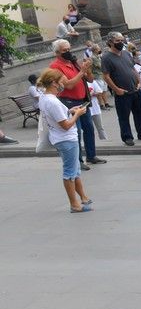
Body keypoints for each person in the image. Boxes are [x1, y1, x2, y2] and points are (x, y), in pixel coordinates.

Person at [37, 69, 94, 213]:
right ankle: (74, 204)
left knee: (75, 170)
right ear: (54, 83)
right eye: (62, 81)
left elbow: (57, 117)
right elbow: (66, 125)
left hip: (62, 138)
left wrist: (70, 111)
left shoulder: (45, 98)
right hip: (65, 139)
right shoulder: (52, 101)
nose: (64, 84)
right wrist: (78, 114)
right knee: (70, 172)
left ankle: (83, 197)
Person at [46, 38, 102, 168]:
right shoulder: (55, 67)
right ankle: (78, 161)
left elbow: (90, 79)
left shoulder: (73, 62)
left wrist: (87, 69)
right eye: (65, 50)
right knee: (75, 132)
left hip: (83, 101)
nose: (68, 52)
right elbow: (68, 85)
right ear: (57, 53)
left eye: (69, 49)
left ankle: (91, 156)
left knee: (89, 128)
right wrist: (82, 71)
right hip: (69, 102)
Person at [100, 32, 141, 145]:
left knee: (140, 112)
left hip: (135, 89)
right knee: (124, 116)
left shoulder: (126, 53)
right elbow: (106, 76)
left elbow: (133, 69)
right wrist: (116, 89)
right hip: (122, 92)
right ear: (110, 42)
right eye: (117, 41)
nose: (120, 43)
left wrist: (139, 82)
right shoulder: (106, 57)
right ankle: (127, 137)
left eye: (121, 40)